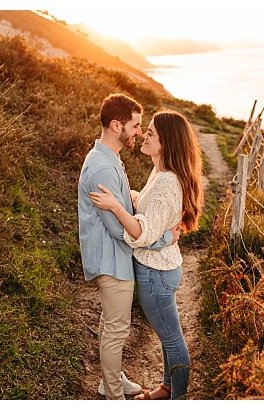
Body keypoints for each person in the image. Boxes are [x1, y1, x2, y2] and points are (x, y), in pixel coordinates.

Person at [89, 110, 204, 399]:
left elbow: (142, 233)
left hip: (156, 276)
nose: (143, 135)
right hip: (160, 271)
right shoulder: (161, 171)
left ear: (165, 142)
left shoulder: (167, 183)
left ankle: (176, 398)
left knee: (172, 340)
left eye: (150, 132)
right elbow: (150, 210)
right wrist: (131, 196)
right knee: (167, 338)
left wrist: (116, 206)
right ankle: (166, 388)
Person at [78, 93, 181, 399]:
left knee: (112, 323)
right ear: (115, 125)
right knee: (116, 329)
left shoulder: (109, 158)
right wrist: (164, 237)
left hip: (116, 257)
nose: (139, 131)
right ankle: (113, 395)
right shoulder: (103, 169)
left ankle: (112, 377)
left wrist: (135, 201)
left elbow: (122, 208)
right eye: (135, 125)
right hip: (112, 260)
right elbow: (117, 227)